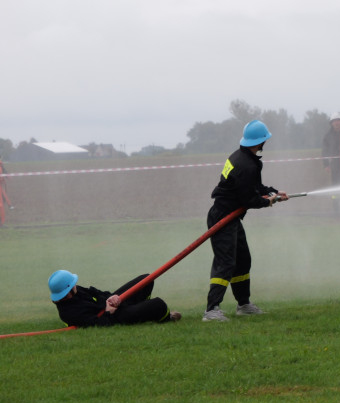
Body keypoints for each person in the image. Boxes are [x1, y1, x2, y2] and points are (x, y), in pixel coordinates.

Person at [203, 119, 289, 322]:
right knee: (225, 262)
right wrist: (268, 202)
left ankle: (243, 305)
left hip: (231, 217)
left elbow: (254, 188)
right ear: (261, 141)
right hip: (223, 217)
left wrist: (273, 192)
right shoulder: (245, 165)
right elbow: (248, 199)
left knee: (242, 259)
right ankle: (211, 310)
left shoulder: (243, 157)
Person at [48, 270, 181, 328]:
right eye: (73, 284)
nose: (75, 284)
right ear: (68, 291)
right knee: (158, 304)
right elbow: (98, 324)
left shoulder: (77, 291)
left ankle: (141, 309)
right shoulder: (69, 313)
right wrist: (108, 311)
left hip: (113, 304)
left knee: (146, 279)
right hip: (115, 317)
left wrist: (111, 298)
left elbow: (97, 293)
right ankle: (167, 318)